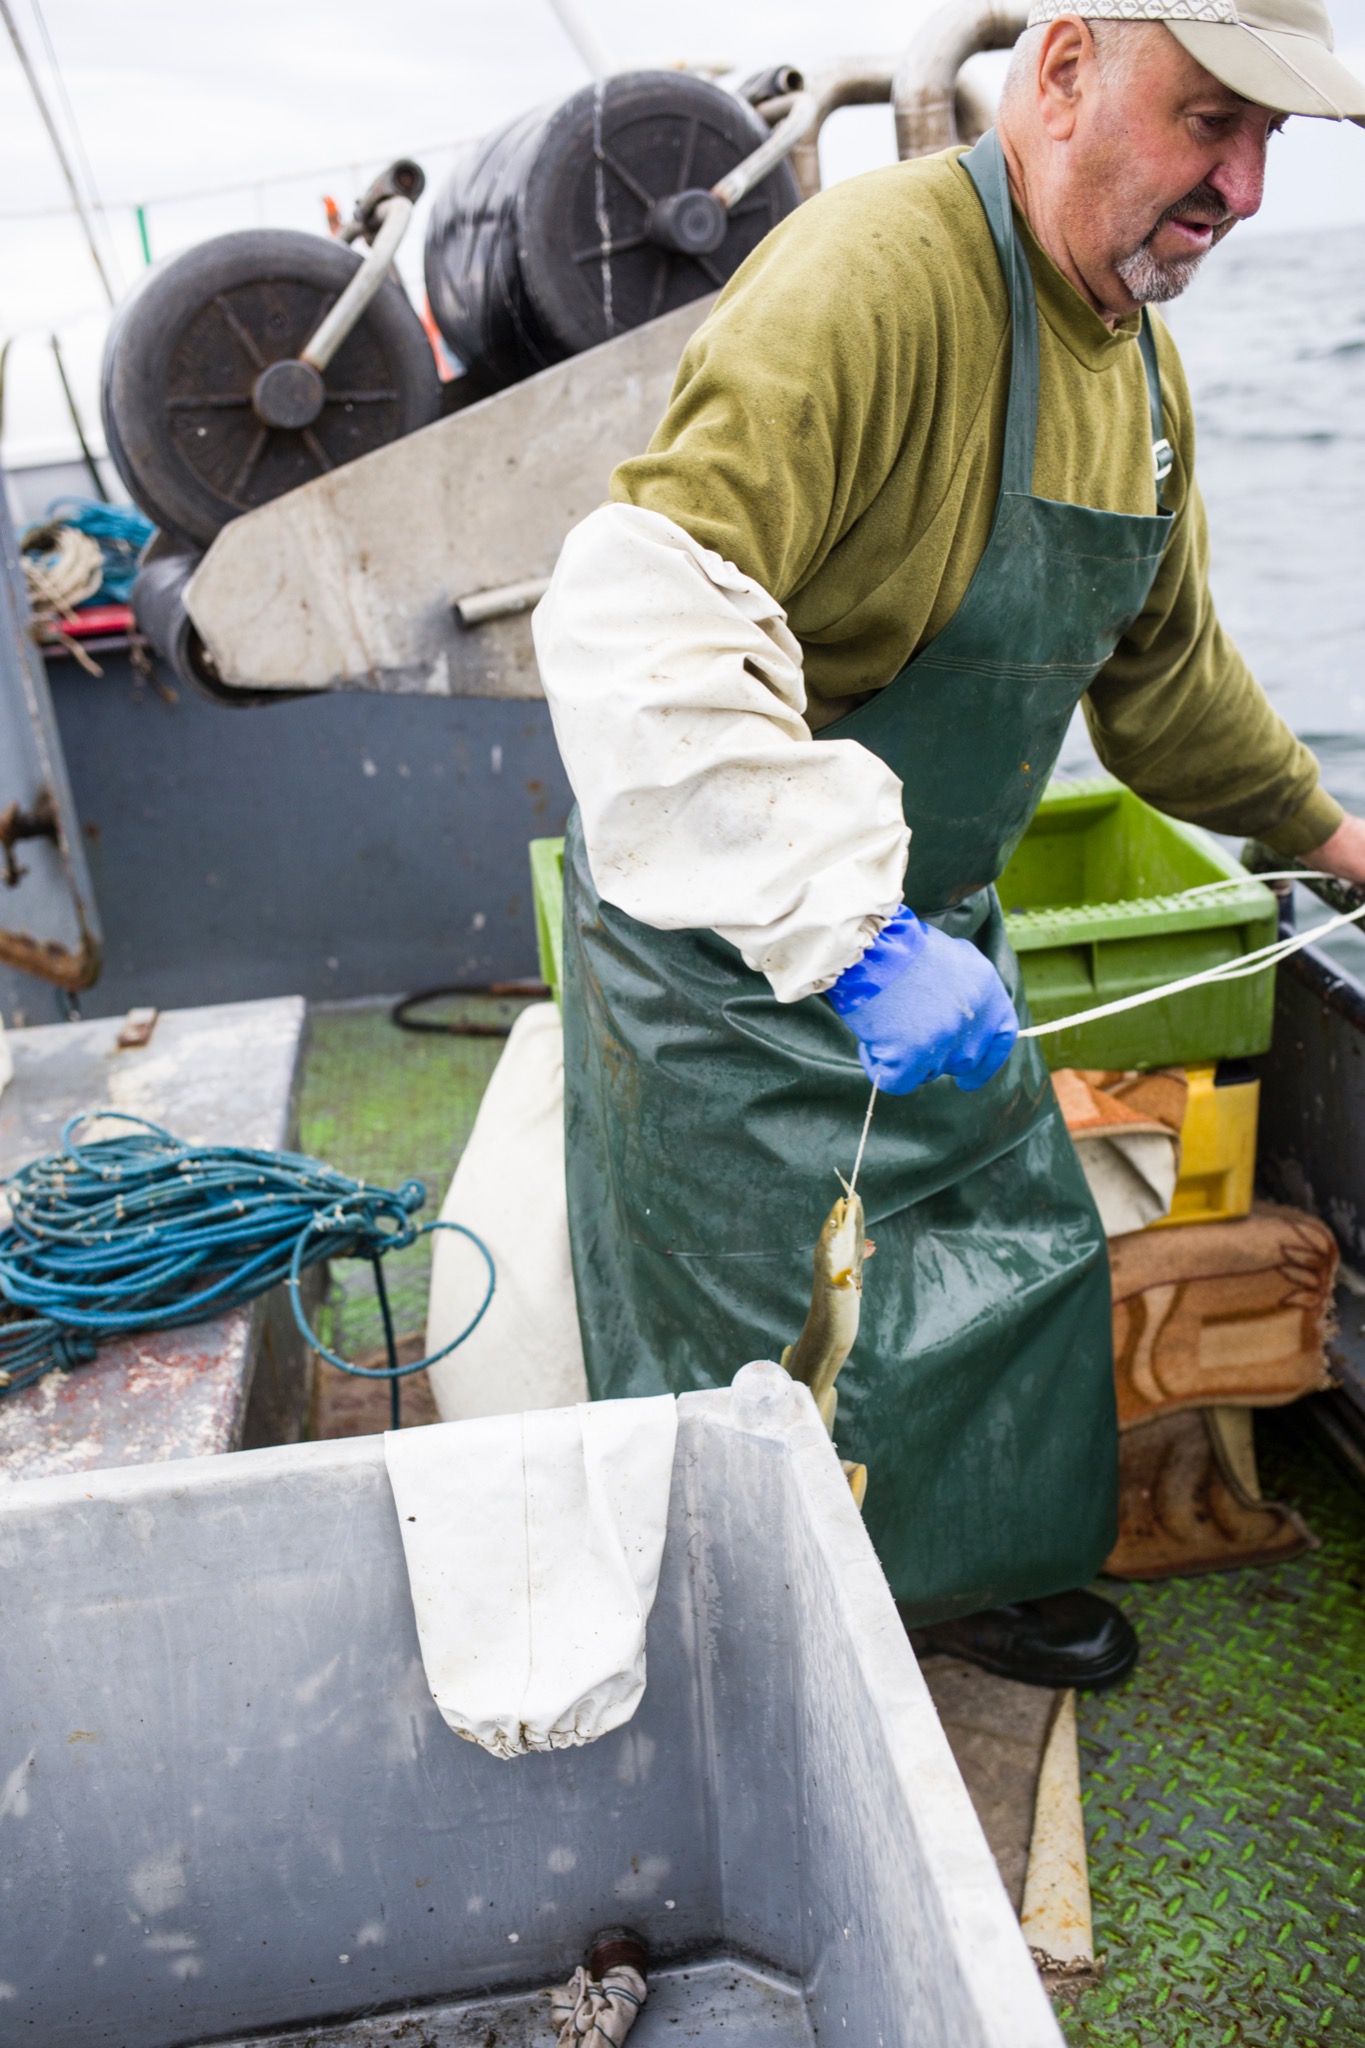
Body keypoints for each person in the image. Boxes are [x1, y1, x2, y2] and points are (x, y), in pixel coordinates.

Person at [532, 0, 1365, 1688]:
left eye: (1271, 142)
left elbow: (1167, 678)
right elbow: (642, 616)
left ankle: (967, 1574)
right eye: (1212, 119)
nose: (1244, 187)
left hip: (933, 937)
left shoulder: (1135, 364)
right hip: (730, 966)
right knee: (747, 1365)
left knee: (1015, 1264)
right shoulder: (875, 276)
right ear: (1060, 70)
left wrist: (1335, 833)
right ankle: (745, 1656)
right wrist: (836, 935)